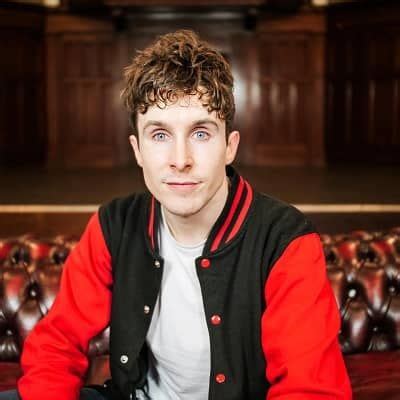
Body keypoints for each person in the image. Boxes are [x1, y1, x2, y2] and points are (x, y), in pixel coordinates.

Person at [0, 30, 352, 400]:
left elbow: (312, 390)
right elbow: (56, 343)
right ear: (137, 149)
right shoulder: (113, 225)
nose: (180, 160)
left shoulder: (285, 240)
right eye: (159, 135)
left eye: (201, 133)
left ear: (229, 146)